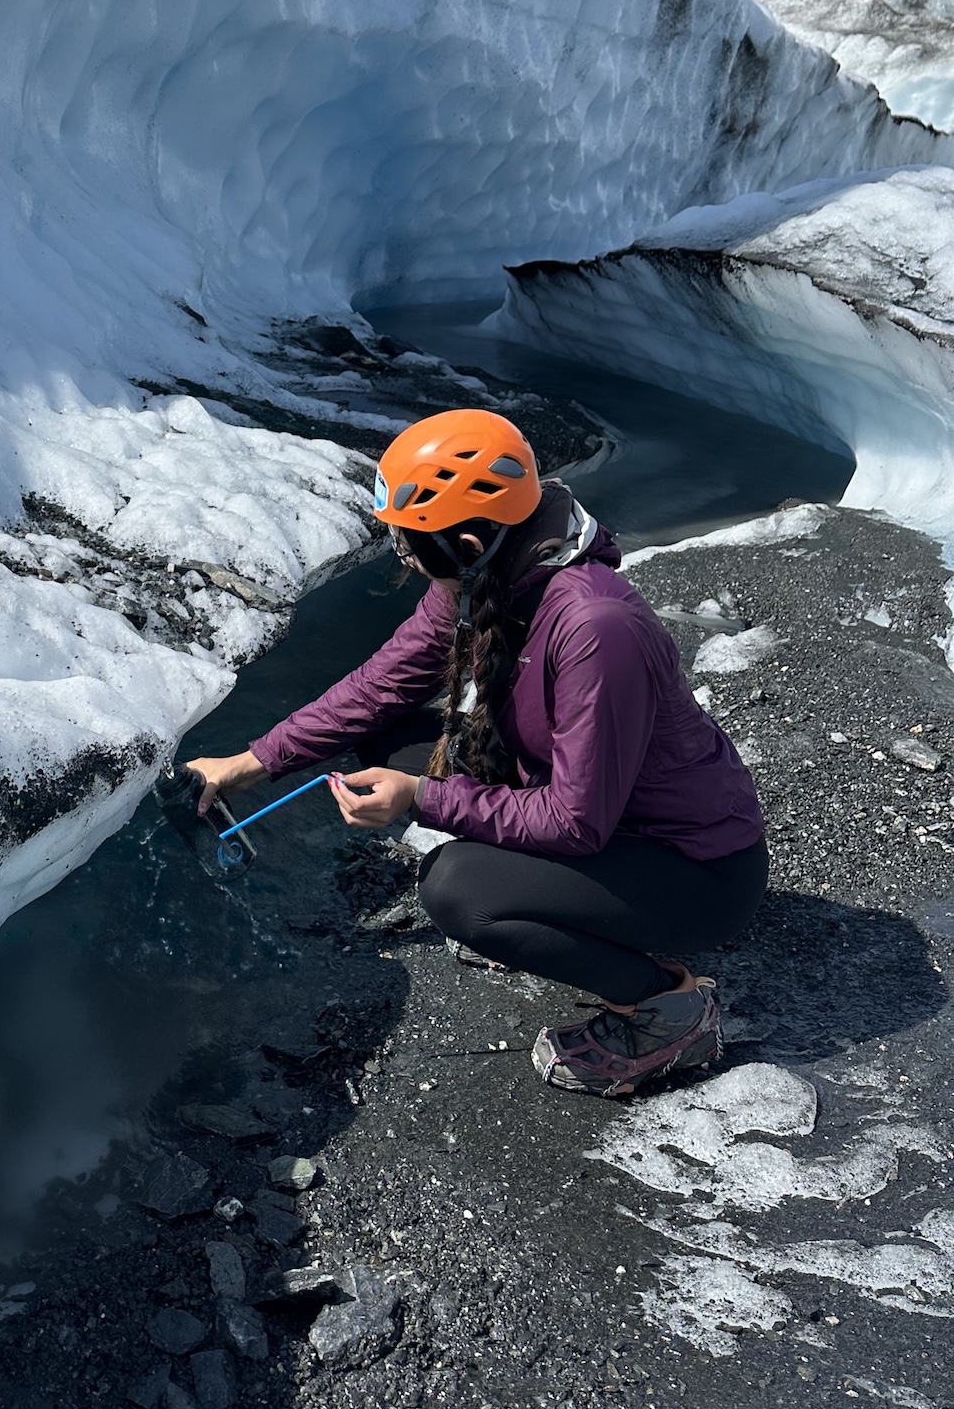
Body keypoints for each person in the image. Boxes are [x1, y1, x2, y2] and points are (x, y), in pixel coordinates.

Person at [186, 407, 767, 1098]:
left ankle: (666, 1007)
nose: (402, 556)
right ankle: (543, 909)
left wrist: (422, 799)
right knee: (386, 744)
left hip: (694, 870)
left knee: (460, 891)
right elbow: (381, 685)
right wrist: (250, 762)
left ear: (465, 540)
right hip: (598, 820)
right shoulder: (487, 569)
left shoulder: (595, 627)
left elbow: (576, 824)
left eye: (409, 544)